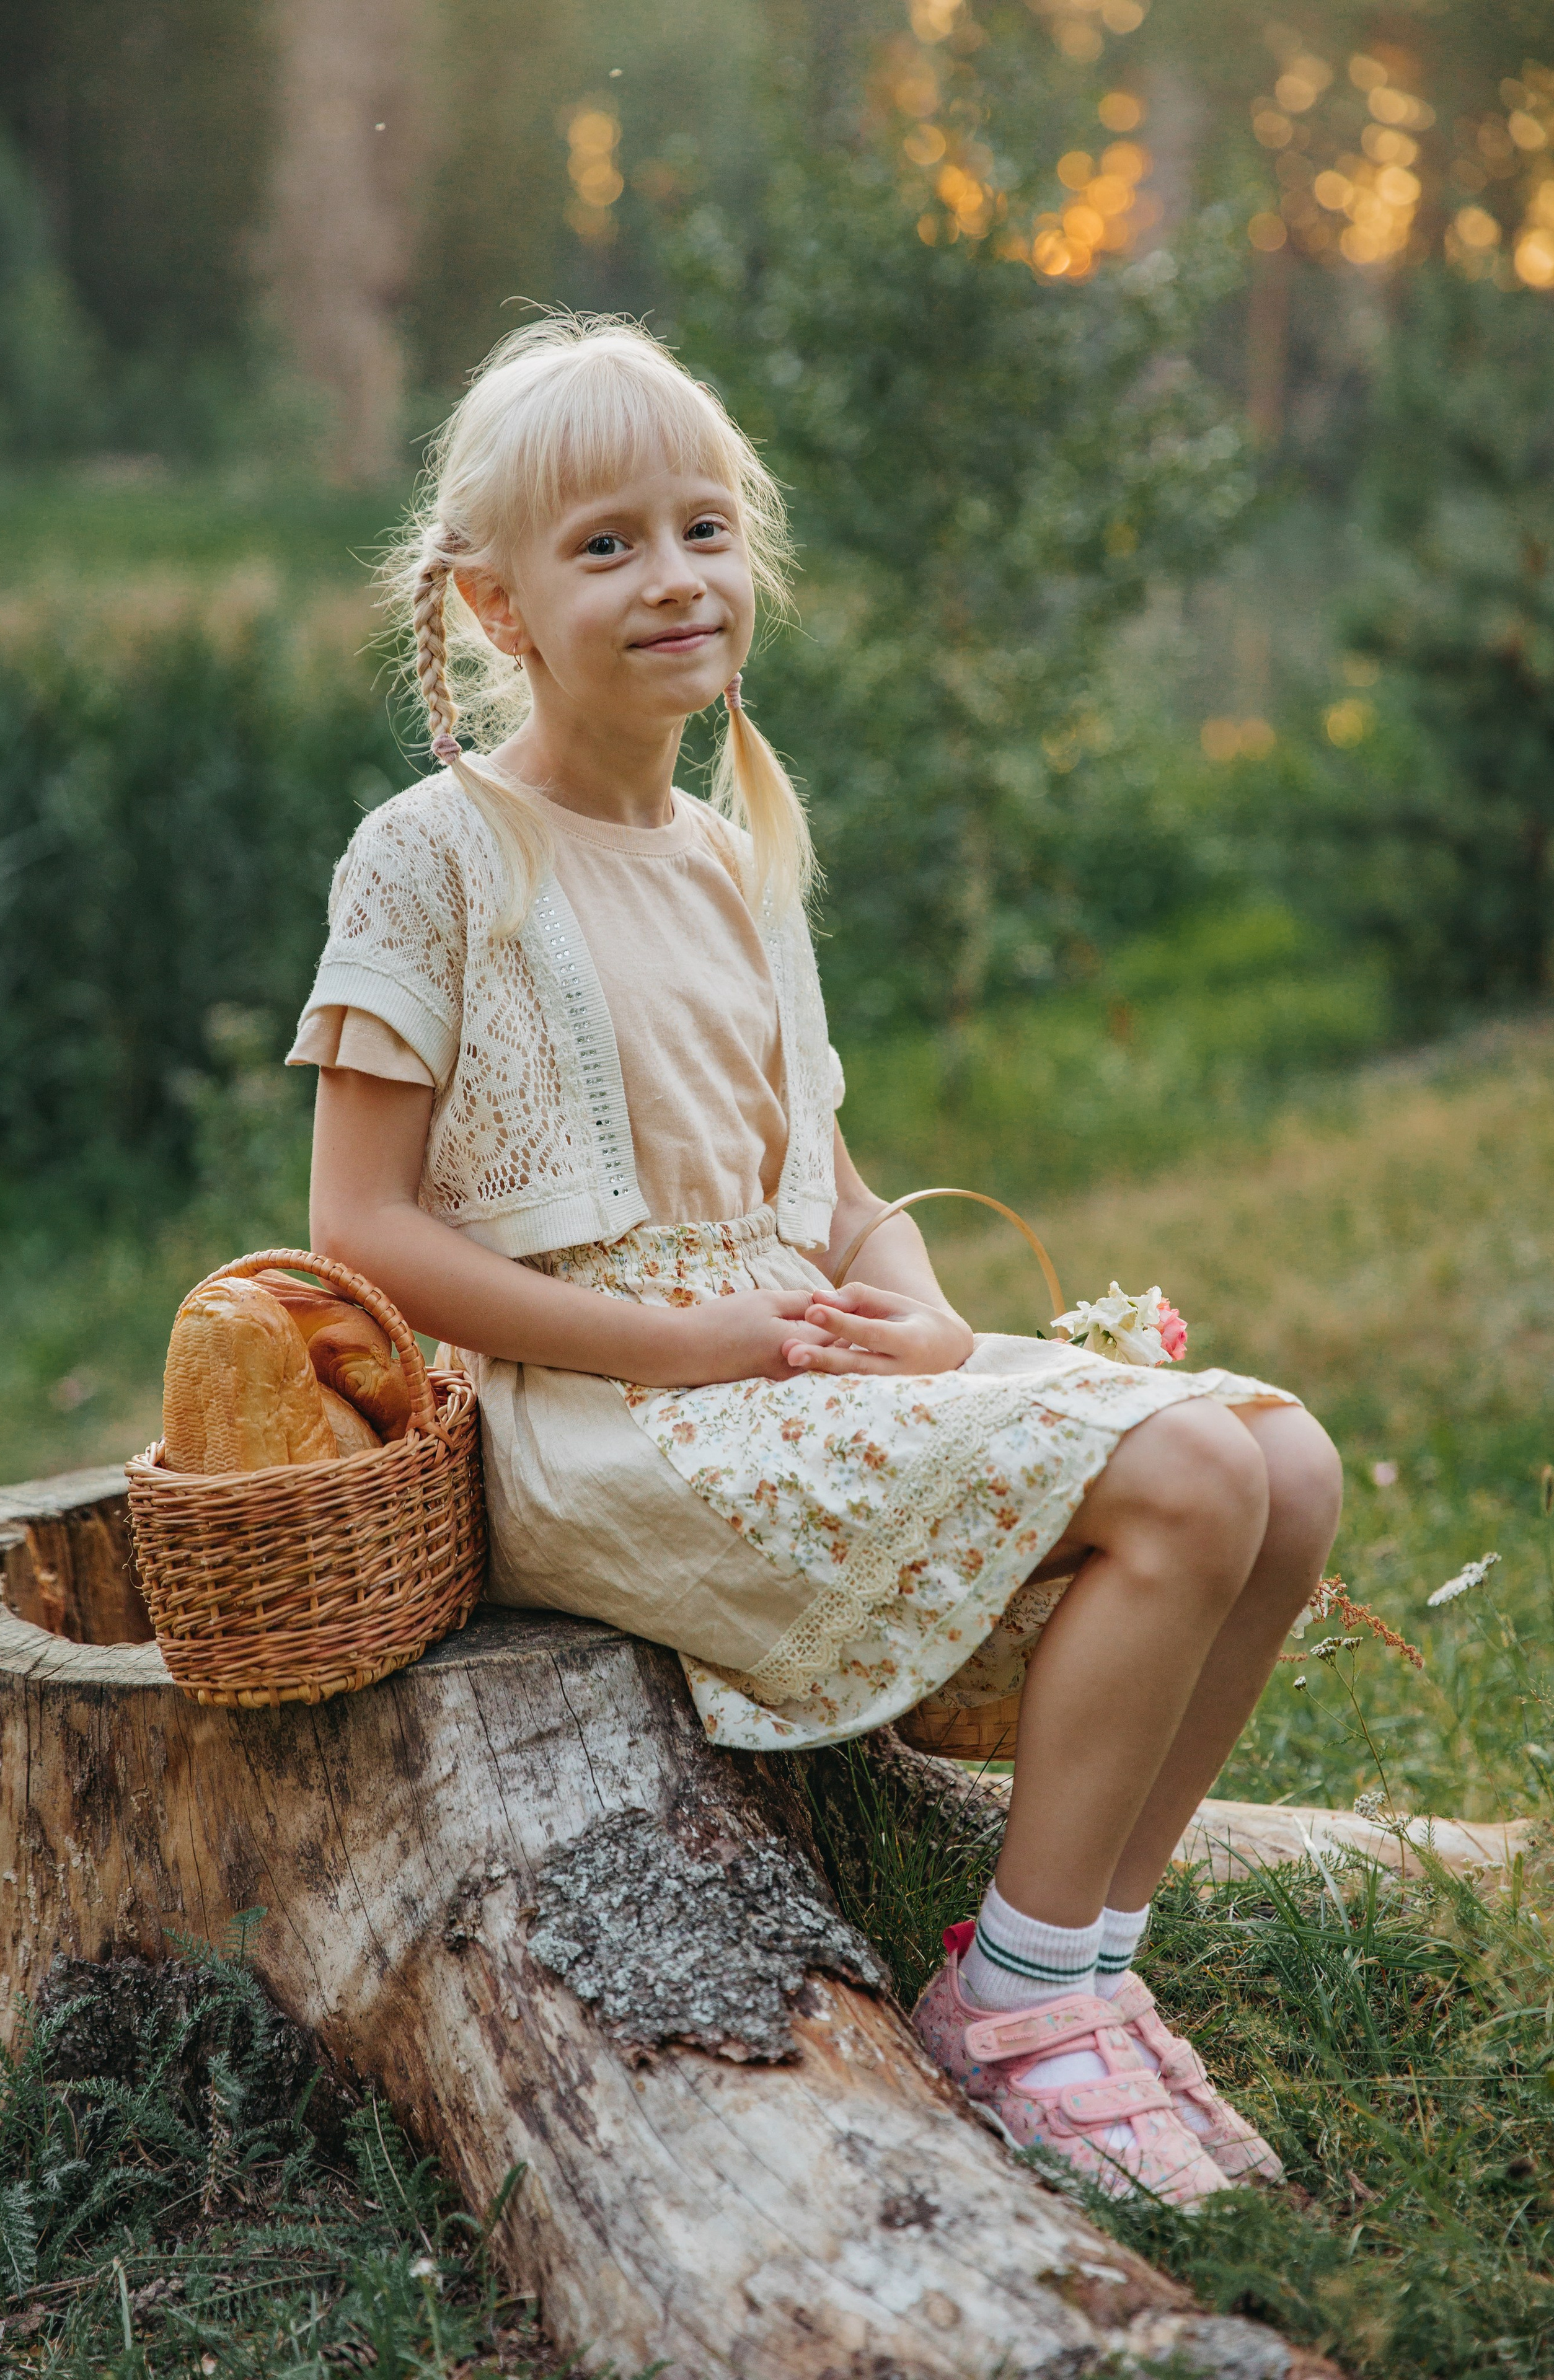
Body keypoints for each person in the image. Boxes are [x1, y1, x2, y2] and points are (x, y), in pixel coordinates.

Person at [289, 313, 1342, 2206]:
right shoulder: (433, 858)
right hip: (606, 1414)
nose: (675, 577)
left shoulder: (734, 848)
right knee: (1189, 1477)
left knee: (1290, 1466)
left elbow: (831, 1185)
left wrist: (917, 1303)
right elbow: (358, 1232)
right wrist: (674, 1341)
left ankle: (1088, 1965)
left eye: (705, 528)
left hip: (786, 1356)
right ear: (493, 604)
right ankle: (1014, 2010)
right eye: (606, 545)